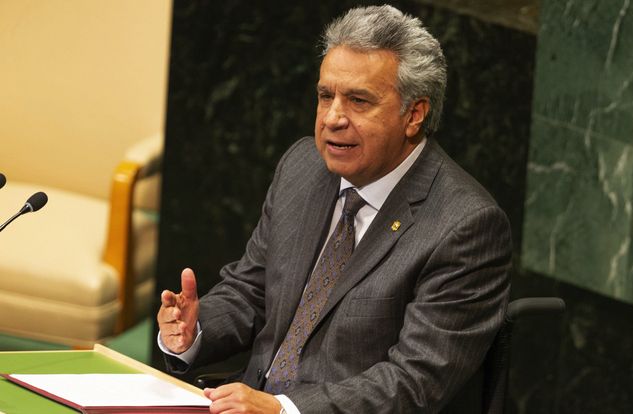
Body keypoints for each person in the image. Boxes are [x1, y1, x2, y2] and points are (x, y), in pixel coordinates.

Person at [157, 5, 511, 414]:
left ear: (414, 114)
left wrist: (284, 409)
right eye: (326, 96)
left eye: (359, 101)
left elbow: (414, 382)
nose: (333, 118)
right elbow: (252, 291)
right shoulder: (303, 168)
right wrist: (194, 329)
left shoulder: (466, 225)